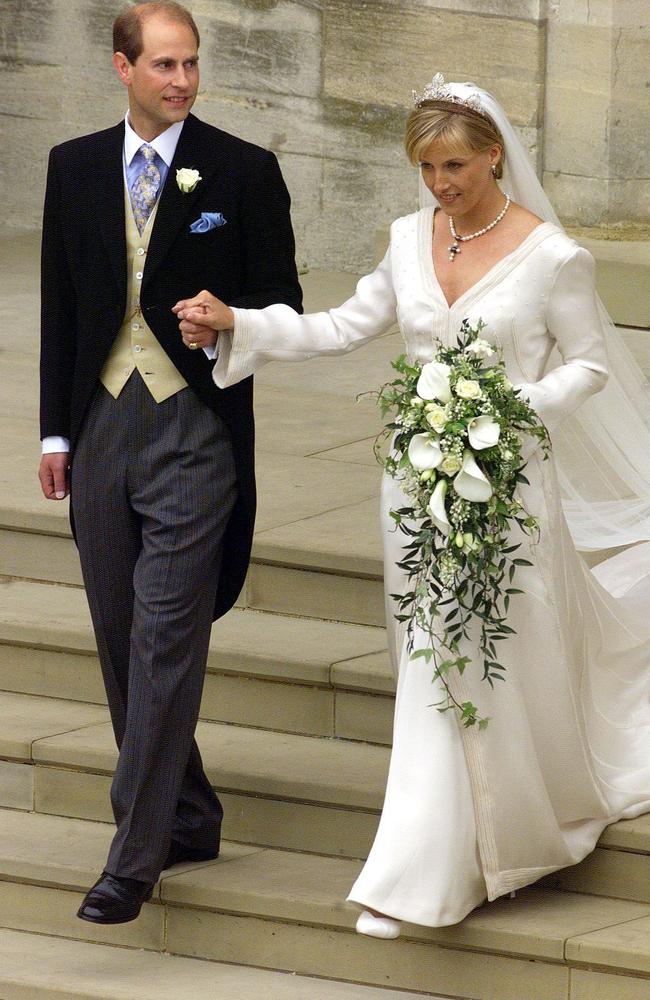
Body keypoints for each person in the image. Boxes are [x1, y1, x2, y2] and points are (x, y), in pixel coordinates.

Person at [173, 76, 650, 937]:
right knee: (429, 652)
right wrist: (241, 322)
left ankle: (451, 862)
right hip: (414, 485)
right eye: (427, 167)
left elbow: (588, 368)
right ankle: (448, 853)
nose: (440, 183)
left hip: (509, 487)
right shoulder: (405, 238)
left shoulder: (554, 258)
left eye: (455, 164)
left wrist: (503, 412)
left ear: (495, 152)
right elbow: (342, 327)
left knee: (494, 653)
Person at [38, 0, 302, 925]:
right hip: (102, 426)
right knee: (120, 640)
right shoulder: (71, 168)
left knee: (163, 645)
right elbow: (61, 307)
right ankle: (186, 810)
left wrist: (229, 321)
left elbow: (285, 305)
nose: (182, 80)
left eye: (190, 64)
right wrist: (54, 436)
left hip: (197, 432)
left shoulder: (244, 169)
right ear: (122, 68)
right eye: (163, 65)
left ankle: (133, 857)